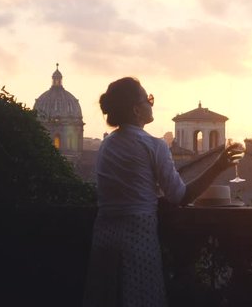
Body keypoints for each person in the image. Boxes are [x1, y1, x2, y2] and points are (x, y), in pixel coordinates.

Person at [83, 77, 242, 307]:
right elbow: (180, 196)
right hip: (138, 242)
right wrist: (218, 165)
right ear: (136, 109)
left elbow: (124, 193)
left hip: (104, 239)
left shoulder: (107, 145)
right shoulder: (154, 146)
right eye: (148, 99)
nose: (152, 103)